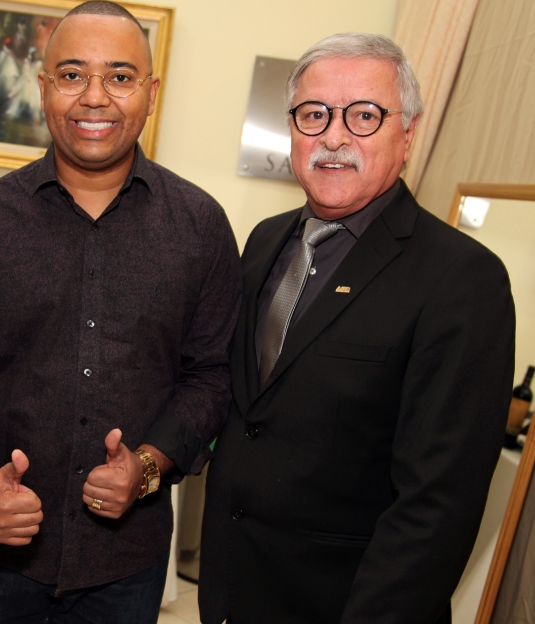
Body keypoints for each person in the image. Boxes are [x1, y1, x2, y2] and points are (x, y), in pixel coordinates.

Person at [0, 1, 241, 623]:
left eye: (120, 77)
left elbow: (211, 375)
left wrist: (146, 467)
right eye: (72, 75)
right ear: (44, 88)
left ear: (151, 93)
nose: (94, 97)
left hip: (125, 568)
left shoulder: (201, 226)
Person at [199, 33, 515, 624]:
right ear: (292, 129)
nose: (334, 137)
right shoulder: (265, 240)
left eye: (364, 116)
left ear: (408, 135)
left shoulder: (462, 278)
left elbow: (438, 503)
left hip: (347, 605)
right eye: (314, 114)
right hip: (235, 593)